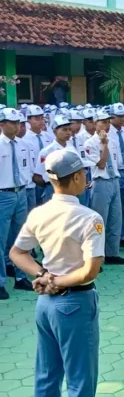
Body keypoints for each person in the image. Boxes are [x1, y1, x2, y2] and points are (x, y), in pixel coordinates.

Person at [10, 150, 103, 397]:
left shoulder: (38, 213)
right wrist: (55, 281)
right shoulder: (89, 218)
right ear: (76, 177)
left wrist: (43, 275)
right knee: (80, 378)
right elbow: (90, 271)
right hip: (75, 302)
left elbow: (17, 252)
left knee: (47, 375)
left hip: (45, 304)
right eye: (83, 172)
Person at [85, 111, 124, 265]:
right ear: (95, 123)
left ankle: (112, 253)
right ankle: (95, 257)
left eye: (108, 122)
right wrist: (104, 144)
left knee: (115, 220)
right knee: (99, 221)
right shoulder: (90, 143)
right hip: (101, 182)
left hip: (114, 180)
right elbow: (101, 164)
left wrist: (106, 143)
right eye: (103, 122)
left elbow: (116, 164)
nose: (107, 125)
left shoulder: (113, 141)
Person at [1, 108, 34, 298]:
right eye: (12, 123)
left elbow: (27, 168)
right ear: (2, 124)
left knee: (22, 237)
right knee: (1, 239)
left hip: (21, 192)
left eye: (18, 123)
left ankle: (21, 277)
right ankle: (0, 281)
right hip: (3, 194)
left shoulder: (23, 144)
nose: (17, 126)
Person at [108, 104, 124, 249]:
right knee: (115, 206)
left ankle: (123, 233)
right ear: (112, 117)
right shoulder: (107, 133)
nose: (123, 118)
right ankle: (116, 234)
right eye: (119, 116)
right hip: (114, 171)